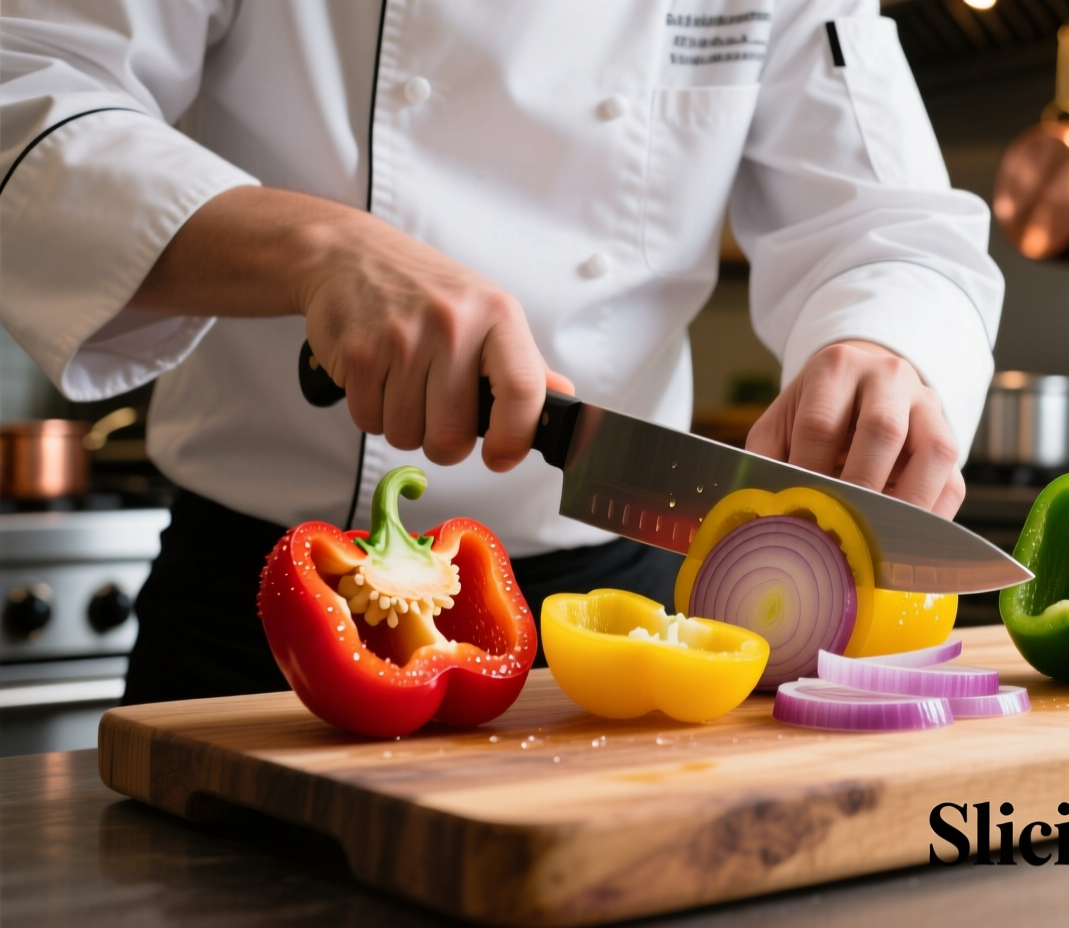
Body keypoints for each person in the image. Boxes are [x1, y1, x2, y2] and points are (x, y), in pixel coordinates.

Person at [0, 1, 1003, 704]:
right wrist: (318, 247)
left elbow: (889, 221)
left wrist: (889, 342)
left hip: (622, 623)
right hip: (272, 611)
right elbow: (27, 89)